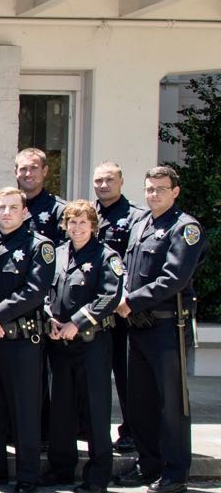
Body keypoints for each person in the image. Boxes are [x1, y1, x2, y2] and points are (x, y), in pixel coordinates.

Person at [116, 165, 206, 493]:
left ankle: (175, 471)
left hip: (168, 327)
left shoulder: (186, 228)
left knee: (172, 405)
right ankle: (148, 462)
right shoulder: (141, 222)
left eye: (161, 189)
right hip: (138, 326)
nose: (154, 194)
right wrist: (121, 296)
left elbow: (175, 278)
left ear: (175, 191)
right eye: (150, 188)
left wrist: (132, 301)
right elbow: (128, 268)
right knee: (141, 402)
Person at [0, 188, 55, 493]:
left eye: (12, 207)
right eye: (1, 207)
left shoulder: (39, 245)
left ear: (24, 211)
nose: (5, 212)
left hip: (21, 341)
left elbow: (35, 290)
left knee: (24, 408)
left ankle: (28, 474)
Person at [45, 200, 124, 493]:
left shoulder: (106, 256)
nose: (76, 228)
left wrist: (77, 322)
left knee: (95, 410)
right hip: (60, 344)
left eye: (82, 222)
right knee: (61, 410)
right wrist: (50, 319)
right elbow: (46, 292)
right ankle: (61, 468)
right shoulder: (58, 254)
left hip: (92, 344)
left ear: (94, 225)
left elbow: (110, 297)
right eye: (71, 222)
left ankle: (97, 475)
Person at [93, 160, 146, 454]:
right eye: (99, 180)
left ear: (121, 181)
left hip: (122, 310)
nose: (103, 185)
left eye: (109, 179)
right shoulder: (87, 213)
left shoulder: (137, 217)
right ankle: (86, 425)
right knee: (92, 373)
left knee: (126, 376)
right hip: (93, 311)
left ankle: (131, 431)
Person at [15, 147, 67, 246]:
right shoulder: (4, 206)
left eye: (34, 168)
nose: (28, 174)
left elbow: (63, 251)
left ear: (45, 171)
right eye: (23, 169)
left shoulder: (60, 209)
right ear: (15, 172)